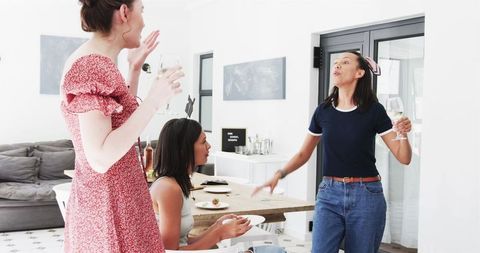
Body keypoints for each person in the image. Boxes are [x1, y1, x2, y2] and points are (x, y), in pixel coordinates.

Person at [253, 51, 412, 253]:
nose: (337, 66)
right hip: (329, 194)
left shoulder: (374, 110)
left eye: (345, 62)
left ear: (360, 73)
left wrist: (403, 134)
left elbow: (404, 157)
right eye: (336, 62)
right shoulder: (323, 111)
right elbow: (304, 153)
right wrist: (279, 173)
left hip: (367, 195)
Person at [60, 0, 183, 252]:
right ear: (125, 13)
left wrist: (134, 70)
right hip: (110, 206)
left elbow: (116, 122)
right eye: (142, 10)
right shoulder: (92, 65)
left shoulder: (96, 61)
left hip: (107, 201)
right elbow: (101, 157)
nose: (144, 21)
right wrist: (154, 100)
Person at [150, 118, 253, 250]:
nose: (209, 146)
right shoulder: (169, 189)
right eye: (203, 141)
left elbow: (184, 242)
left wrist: (216, 227)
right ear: (184, 149)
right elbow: (170, 251)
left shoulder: (176, 184)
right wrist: (219, 234)